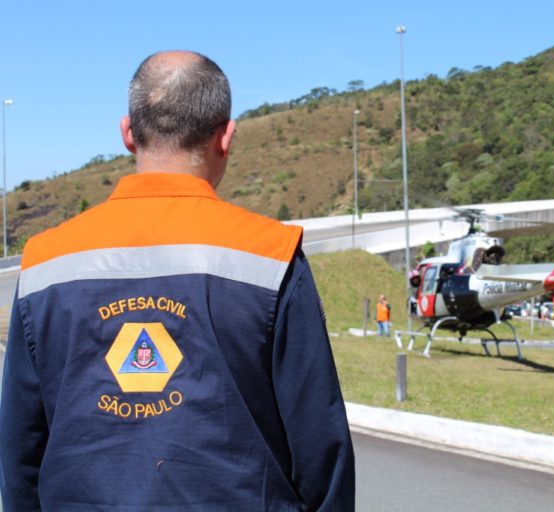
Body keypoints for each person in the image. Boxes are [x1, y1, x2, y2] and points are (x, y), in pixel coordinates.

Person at [0, 51, 354, 511]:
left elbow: (20, 449)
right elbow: (320, 448)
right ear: (226, 137)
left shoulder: (46, 260)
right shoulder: (270, 254)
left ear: (128, 134)